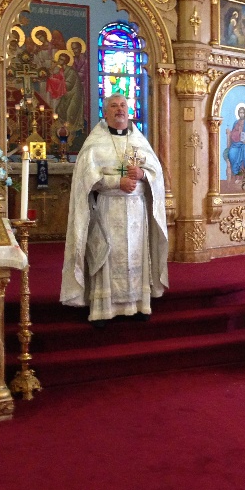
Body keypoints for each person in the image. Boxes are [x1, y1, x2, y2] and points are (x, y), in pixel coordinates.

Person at [61, 95, 168, 328]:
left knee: (136, 254)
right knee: (107, 254)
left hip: (137, 211)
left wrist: (142, 175)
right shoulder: (95, 143)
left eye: (123, 106)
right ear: (105, 112)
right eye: (114, 106)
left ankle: (139, 305)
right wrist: (115, 183)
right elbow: (85, 179)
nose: (119, 110)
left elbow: (156, 174)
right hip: (108, 208)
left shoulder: (140, 141)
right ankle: (103, 310)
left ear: (129, 111)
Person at [225, 106, 245, 180]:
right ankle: (236, 173)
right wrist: (238, 132)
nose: (241, 114)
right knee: (232, 152)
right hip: (236, 143)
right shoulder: (236, 123)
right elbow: (232, 135)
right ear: (238, 114)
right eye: (240, 113)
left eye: (243, 112)